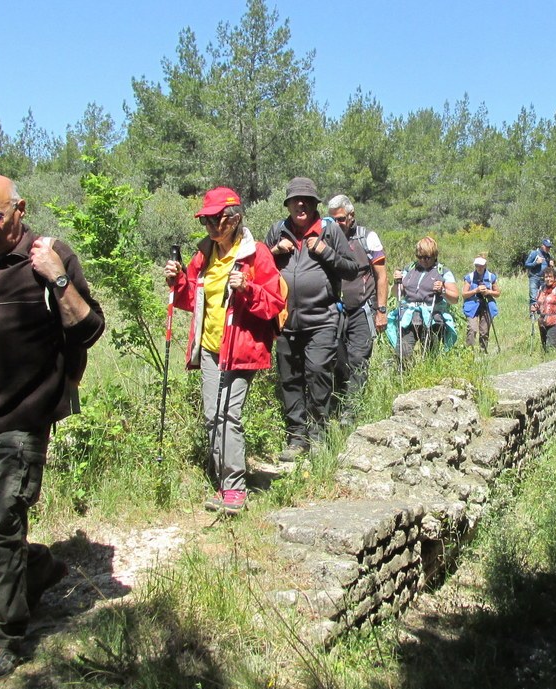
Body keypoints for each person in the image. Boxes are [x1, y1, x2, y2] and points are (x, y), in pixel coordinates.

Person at [0, 175, 105, 683]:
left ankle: (3, 634)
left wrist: (56, 277)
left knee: (1, 518)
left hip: (24, 416)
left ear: (19, 209)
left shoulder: (50, 255)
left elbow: (89, 328)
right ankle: (36, 567)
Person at [164, 187, 284, 515]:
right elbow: (191, 298)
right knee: (210, 416)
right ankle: (223, 482)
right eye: (206, 221)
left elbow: (274, 303)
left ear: (234, 218)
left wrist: (247, 289)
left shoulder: (255, 254)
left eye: (217, 219)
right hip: (209, 348)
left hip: (241, 349)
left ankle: (234, 488)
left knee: (228, 415)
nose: (212, 227)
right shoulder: (204, 254)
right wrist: (176, 282)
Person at [265, 177, 359, 461]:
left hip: (322, 319)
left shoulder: (329, 231)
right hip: (285, 322)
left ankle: (318, 434)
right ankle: (297, 437)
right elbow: (259, 270)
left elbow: (352, 269)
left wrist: (324, 251)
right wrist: (273, 252)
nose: (301, 204)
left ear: (315, 204)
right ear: (289, 204)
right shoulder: (276, 231)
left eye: (306, 200)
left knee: (318, 373)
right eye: (295, 200)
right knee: (290, 379)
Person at [326, 194, 389, 418]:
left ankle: (351, 412)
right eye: (332, 219)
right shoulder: (326, 239)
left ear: (351, 216)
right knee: (336, 359)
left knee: (357, 359)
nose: (337, 224)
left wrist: (381, 311)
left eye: (341, 219)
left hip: (363, 310)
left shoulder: (367, 237)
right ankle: (337, 404)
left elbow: (381, 276)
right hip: (334, 311)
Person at [393, 236, 460, 359]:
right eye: (420, 257)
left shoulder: (443, 271)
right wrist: (397, 282)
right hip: (409, 316)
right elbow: (396, 293)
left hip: (432, 317)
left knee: (430, 356)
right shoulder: (410, 269)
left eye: (427, 257)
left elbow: (455, 298)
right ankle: (407, 375)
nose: (423, 261)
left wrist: (442, 290)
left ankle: (429, 376)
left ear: (434, 255)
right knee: (402, 354)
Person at [461, 253, 500, 352]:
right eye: (477, 265)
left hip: (487, 304)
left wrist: (488, 292)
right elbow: (464, 294)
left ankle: (483, 352)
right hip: (472, 305)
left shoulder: (491, 277)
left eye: (481, 265)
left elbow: (498, 293)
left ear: (485, 265)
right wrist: (476, 290)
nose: (479, 267)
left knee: (484, 331)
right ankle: (469, 353)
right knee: (472, 329)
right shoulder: (469, 277)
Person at [533, 267, 556, 352]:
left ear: (554, 277)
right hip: (542, 322)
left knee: (550, 347)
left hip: (555, 322)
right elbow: (538, 302)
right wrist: (534, 306)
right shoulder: (541, 288)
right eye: (546, 277)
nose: (548, 279)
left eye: (550, 276)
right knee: (545, 347)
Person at [524, 238, 553, 314]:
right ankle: (532, 315)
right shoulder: (534, 253)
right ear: (542, 246)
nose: (548, 249)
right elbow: (526, 264)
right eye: (547, 247)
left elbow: (549, 269)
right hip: (534, 277)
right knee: (533, 297)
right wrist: (536, 263)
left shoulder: (548, 256)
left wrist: (551, 266)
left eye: (549, 247)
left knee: (543, 296)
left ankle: (541, 313)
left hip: (544, 279)